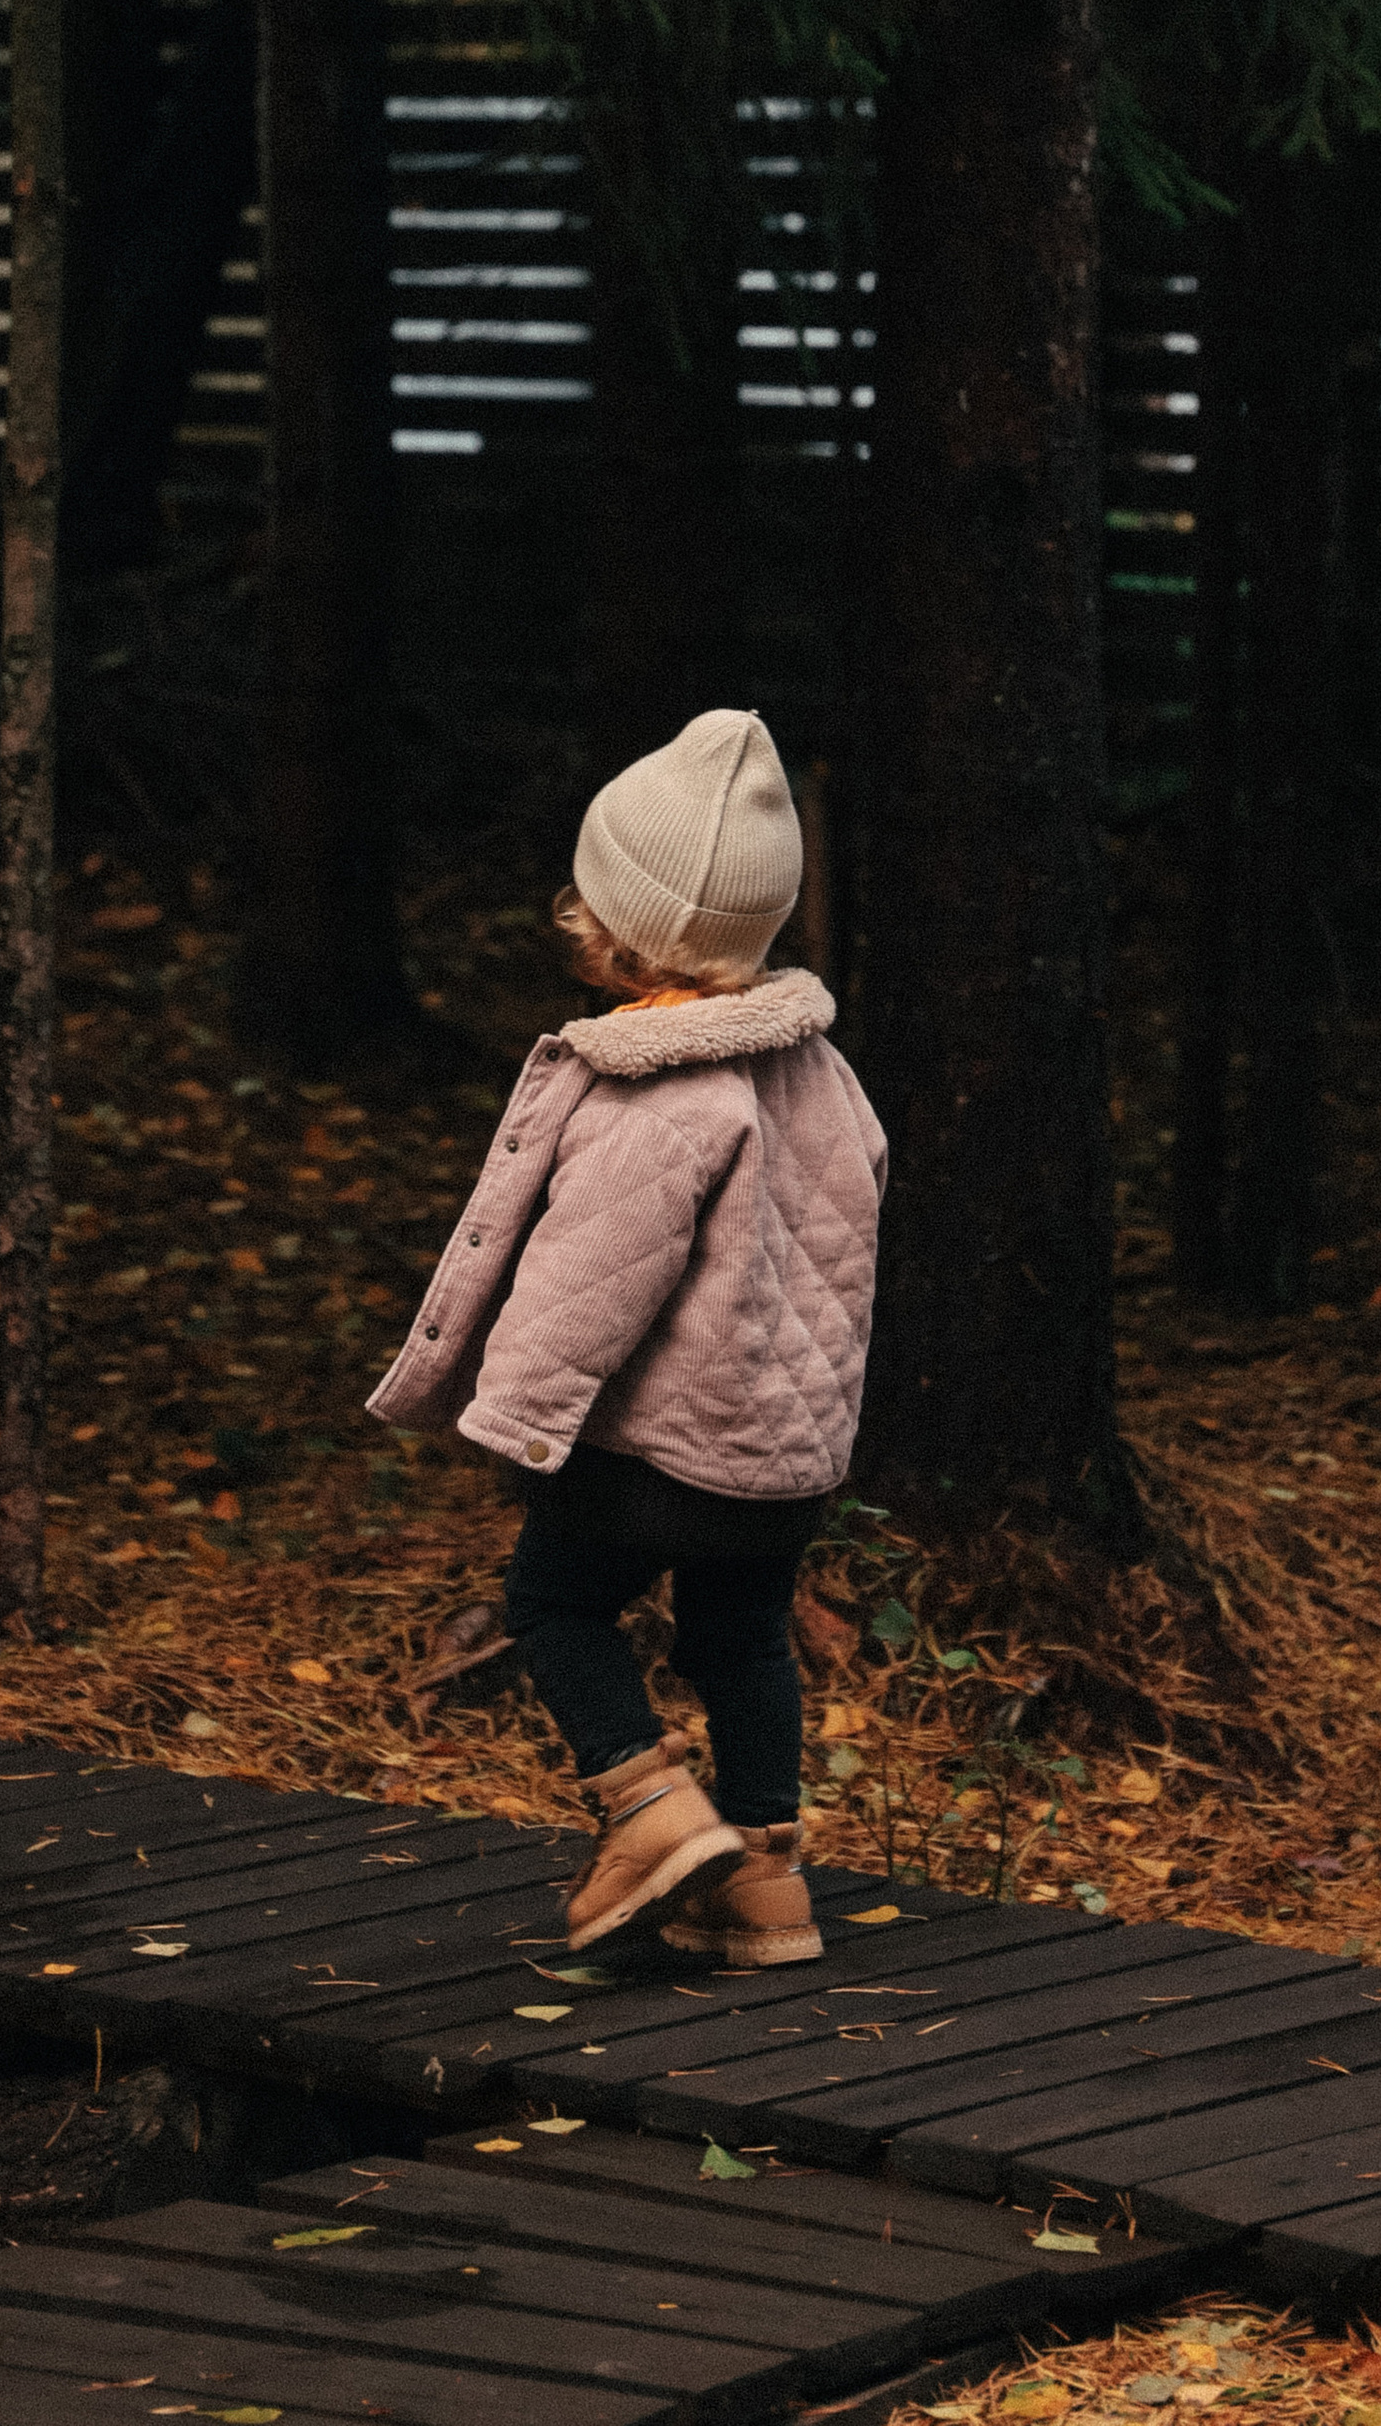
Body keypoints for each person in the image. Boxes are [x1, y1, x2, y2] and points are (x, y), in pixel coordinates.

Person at [369, 708, 887, 1967]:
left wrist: (518, 1425)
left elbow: (586, 1281)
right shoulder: (817, 1070)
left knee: (551, 1605)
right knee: (741, 1642)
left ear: (618, 930)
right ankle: (765, 1889)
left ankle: (649, 1808)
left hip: (652, 1458)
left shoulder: (655, 1091)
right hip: (781, 1463)